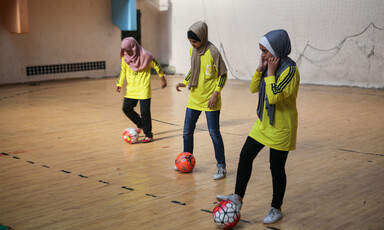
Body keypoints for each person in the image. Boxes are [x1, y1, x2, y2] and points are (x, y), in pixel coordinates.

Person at [216, 29, 300, 224]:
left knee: (276, 168)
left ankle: (276, 207)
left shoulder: (290, 70)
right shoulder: (268, 65)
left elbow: (274, 96)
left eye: (265, 51)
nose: (262, 54)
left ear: (277, 49)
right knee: (245, 155)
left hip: (281, 127)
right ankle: (237, 198)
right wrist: (260, 70)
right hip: (263, 123)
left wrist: (270, 73)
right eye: (261, 50)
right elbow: (254, 88)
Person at [175, 21, 228, 180]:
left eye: (195, 41)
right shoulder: (193, 50)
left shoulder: (213, 52)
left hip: (210, 100)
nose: (193, 44)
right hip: (194, 98)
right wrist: (184, 82)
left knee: (214, 133)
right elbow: (193, 68)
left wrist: (215, 93)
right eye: (191, 42)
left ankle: (221, 167)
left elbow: (223, 75)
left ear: (203, 38)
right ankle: (186, 160)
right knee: (186, 131)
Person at [116, 37, 167, 143]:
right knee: (126, 108)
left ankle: (148, 135)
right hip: (131, 89)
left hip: (144, 88)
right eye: (125, 50)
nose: (127, 52)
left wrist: (162, 78)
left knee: (145, 113)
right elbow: (123, 71)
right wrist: (119, 83)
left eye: (129, 50)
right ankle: (140, 124)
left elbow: (157, 66)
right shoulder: (124, 58)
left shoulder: (146, 56)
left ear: (134, 47)